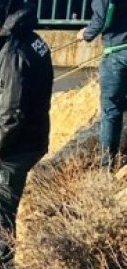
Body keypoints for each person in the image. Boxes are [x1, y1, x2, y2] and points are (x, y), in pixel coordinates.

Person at [0, 0, 53, 269]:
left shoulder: (11, 54)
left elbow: (12, 110)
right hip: (29, 139)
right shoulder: (32, 41)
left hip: (12, 147)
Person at [81, 0, 127, 168]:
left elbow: (102, 20)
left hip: (117, 52)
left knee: (111, 111)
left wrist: (86, 34)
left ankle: (106, 166)